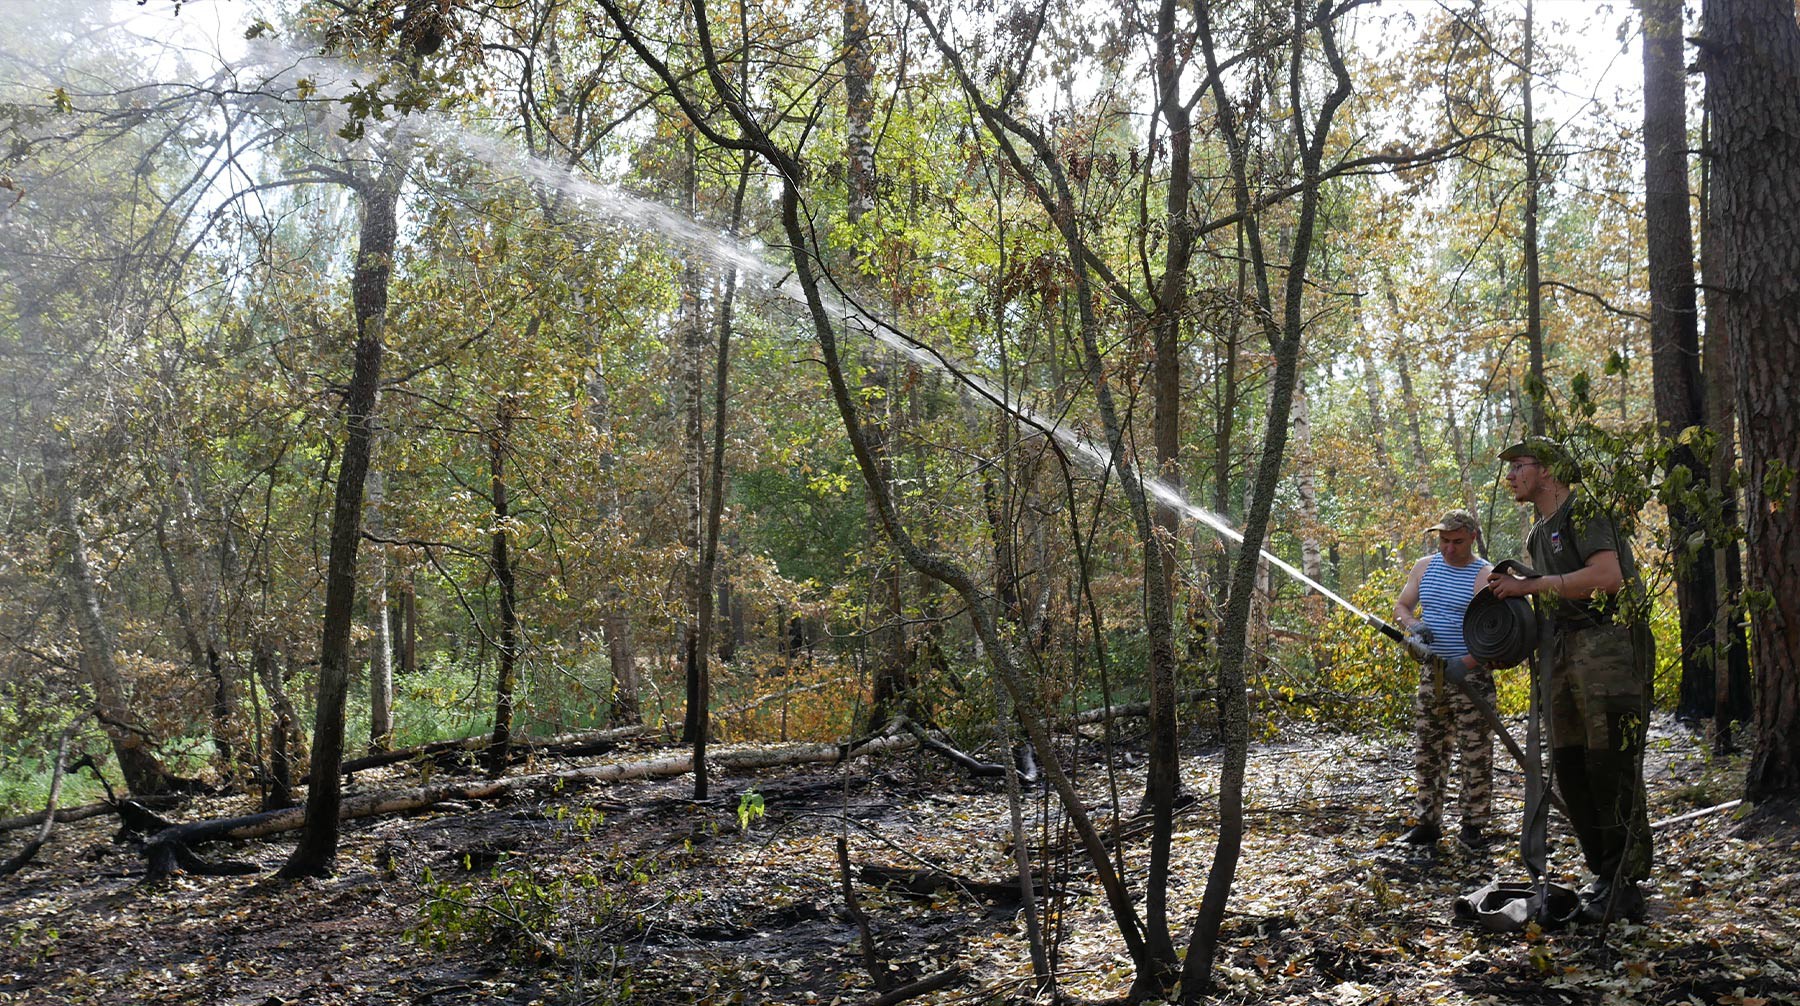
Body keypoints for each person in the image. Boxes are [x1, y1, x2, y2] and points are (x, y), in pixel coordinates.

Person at [1484, 437, 1654, 922]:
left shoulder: (1584, 511)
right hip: (1564, 650)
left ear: (1549, 470)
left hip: (1610, 646)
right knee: (1571, 765)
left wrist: (1531, 585)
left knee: (1610, 764)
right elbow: (1553, 597)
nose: (1512, 475)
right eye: (1512, 467)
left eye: (1520, 465)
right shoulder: (1540, 532)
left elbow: (1608, 576)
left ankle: (1625, 881)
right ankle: (1604, 875)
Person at [1392, 509, 1494, 850]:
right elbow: (1403, 606)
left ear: (1473, 539)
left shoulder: (1485, 575)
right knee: (1428, 749)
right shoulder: (1424, 567)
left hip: (1472, 677)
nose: (1449, 549)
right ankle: (1427, 822)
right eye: (1444, 541)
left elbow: (1498, 634)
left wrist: (1467, 662)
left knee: (1474, 752)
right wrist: (1413, 628)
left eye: (1457, 542)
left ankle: (1473, 827)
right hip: (1432, 674)